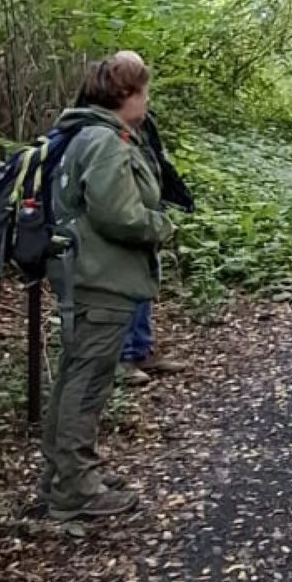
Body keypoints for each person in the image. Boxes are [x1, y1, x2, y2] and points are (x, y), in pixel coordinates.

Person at [38, 50, 171, 526]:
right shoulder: (107, 141)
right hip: (101, 276)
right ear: (125, 96)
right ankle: (74, 488)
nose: (146, 101)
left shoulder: (81, 133)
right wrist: (160, 225)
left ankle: (64, 475)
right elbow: (119, 215)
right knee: (88, 382)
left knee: (77, 375)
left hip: (86, 273)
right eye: (143, 92)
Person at [118, 113, 194, 383]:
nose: (145, 99)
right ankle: (123, 358)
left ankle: (141, 350)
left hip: (149, 213)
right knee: (125, 284)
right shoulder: (100, 132)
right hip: (128, 218)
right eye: (141, 92)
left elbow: (155, 159)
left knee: (145, 281)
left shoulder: (142, 124)